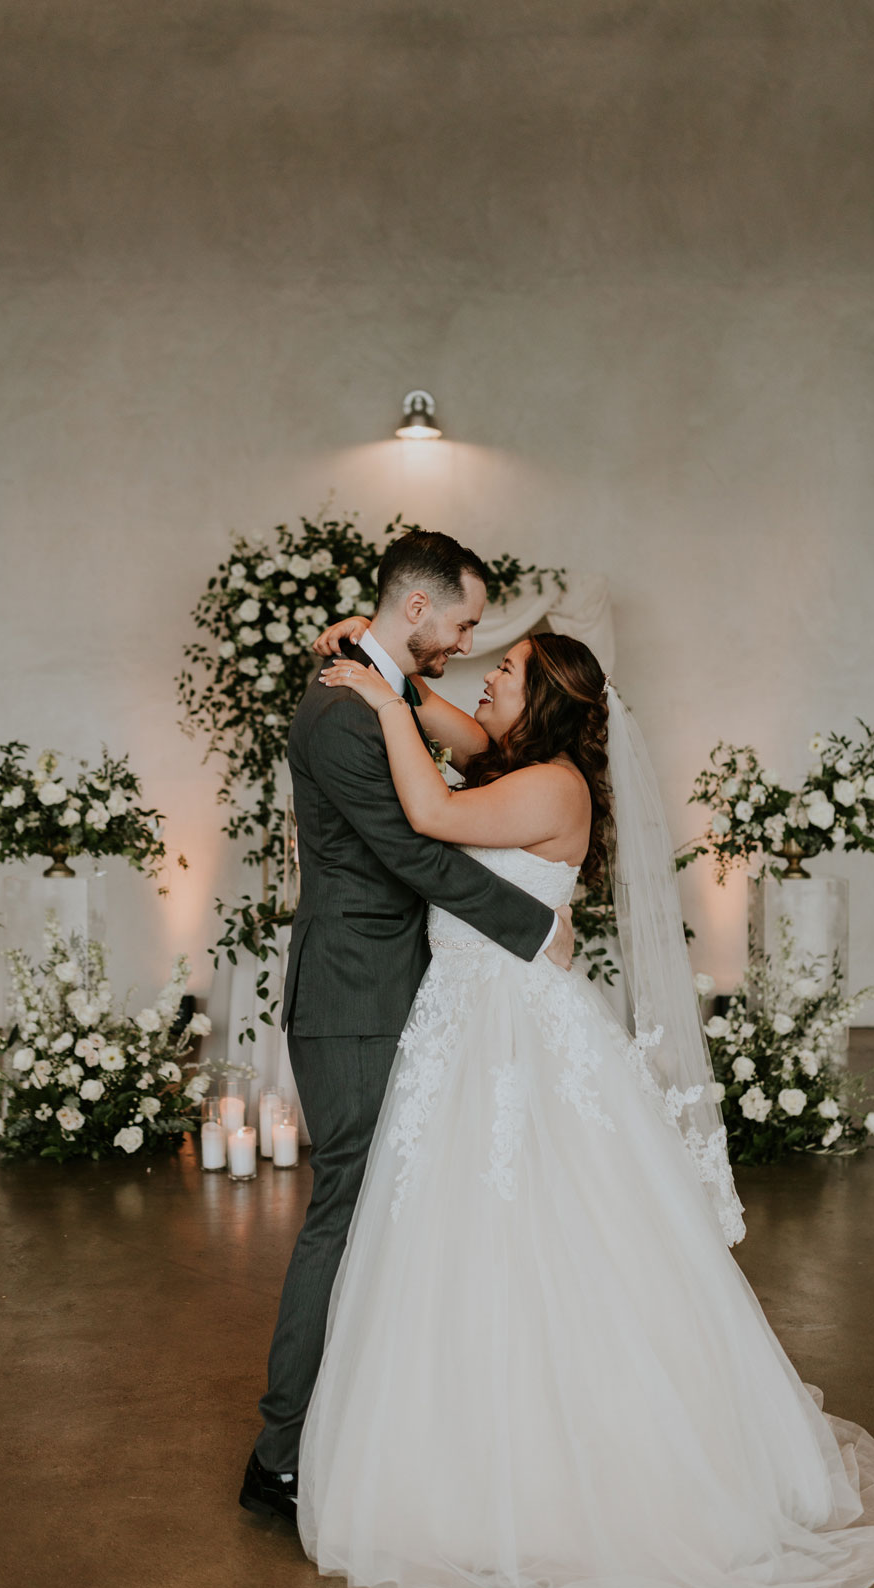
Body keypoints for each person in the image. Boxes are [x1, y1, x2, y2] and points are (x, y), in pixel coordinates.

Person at [288, 622, 874, 1588]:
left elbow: (427, 810)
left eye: (506, 671)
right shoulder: (517, 762)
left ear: (544, 704)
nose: (484, 677)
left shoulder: (552, 789)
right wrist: (392, 674)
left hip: (511, 1032)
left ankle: (568, 1472)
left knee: (546, 1234)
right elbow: (459, 729)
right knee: (455, 1240)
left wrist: (379, 700)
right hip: (461, 1025)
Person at [239, 532, 575, 1524]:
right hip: (353, 998)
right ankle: (278, 1456)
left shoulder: (376, 689)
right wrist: (534, 924)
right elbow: (410, 853)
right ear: (419, 608)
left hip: (400, 991)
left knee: (395, 1214)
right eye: (465, 624)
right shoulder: (345, 711)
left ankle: (379, 1426)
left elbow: (460, 765)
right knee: (345, 1213)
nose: (469, 644)